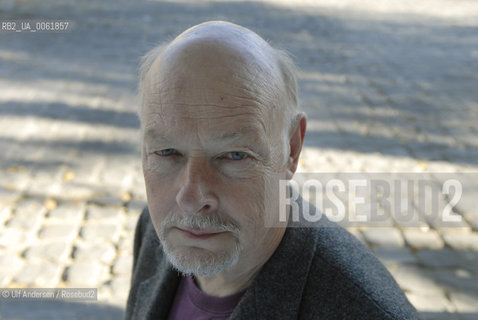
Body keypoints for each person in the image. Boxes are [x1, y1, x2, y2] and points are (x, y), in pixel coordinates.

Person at [125, 21, 419, 320]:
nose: (190, 198)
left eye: (234, 155)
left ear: (292, 148)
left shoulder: (366, 311)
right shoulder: (155, 228)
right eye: (166, 152)